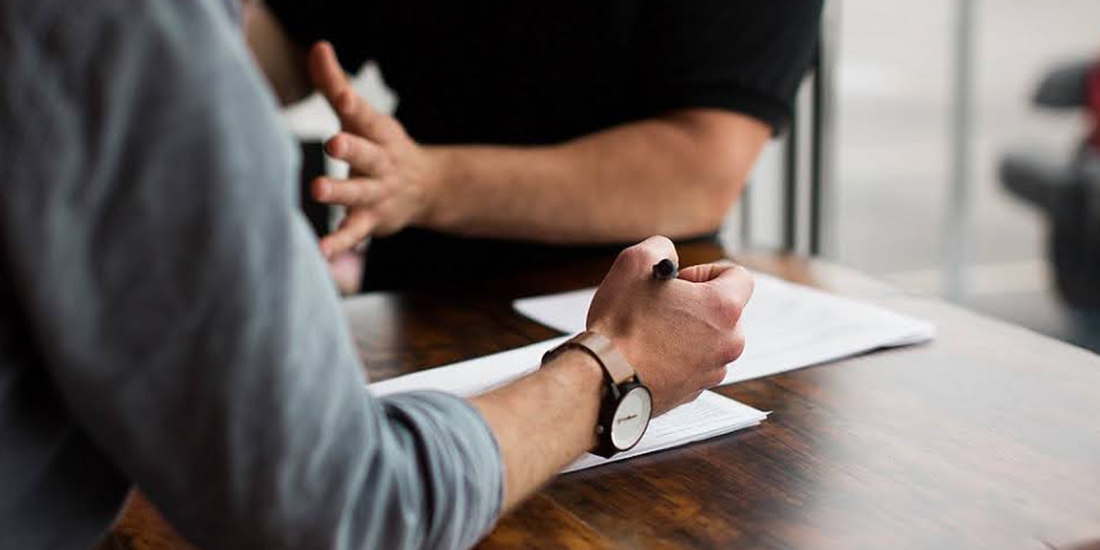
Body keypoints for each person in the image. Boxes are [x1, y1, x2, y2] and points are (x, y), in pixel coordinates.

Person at [0, 1, 754, 548]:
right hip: (424, 335)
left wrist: (425, 181)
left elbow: (703, 164)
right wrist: (617, 366)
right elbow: (338, 507)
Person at [245, 0, 824, 290]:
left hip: (632, 303)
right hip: (419, 299)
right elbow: (292, 43)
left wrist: (428, 182)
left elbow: (699, 169)